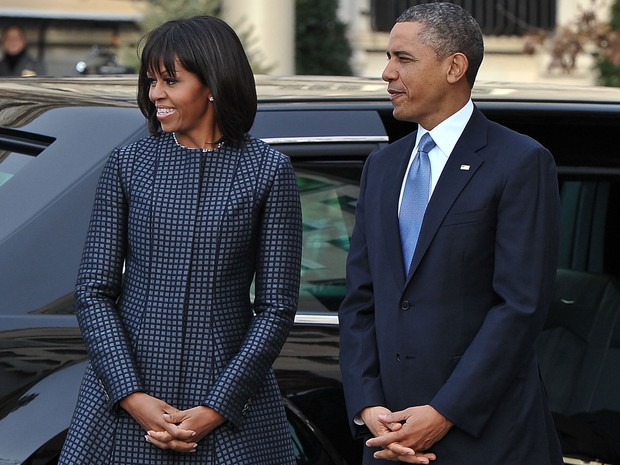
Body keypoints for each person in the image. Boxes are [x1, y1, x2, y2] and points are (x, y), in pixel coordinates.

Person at [58, 15, 302, 464]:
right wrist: (132, 396)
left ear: (212, 83)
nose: (155, 95)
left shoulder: (268, 171)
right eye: (151, 81)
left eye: (170, 81)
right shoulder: (128, 164)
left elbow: (276, 307)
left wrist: (217, 408)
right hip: (126, 400)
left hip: (228, 407)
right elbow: (94, 291)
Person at [338, 3, 563, 464]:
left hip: (487, 439)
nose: (386, 72)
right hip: (389, 441)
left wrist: (444, 412)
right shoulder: (382, 166)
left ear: (454, 66)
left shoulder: (519, 161)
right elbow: (360, 298)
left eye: (403, 59)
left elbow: (520, 306)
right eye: (387, 57)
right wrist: (368, 405)